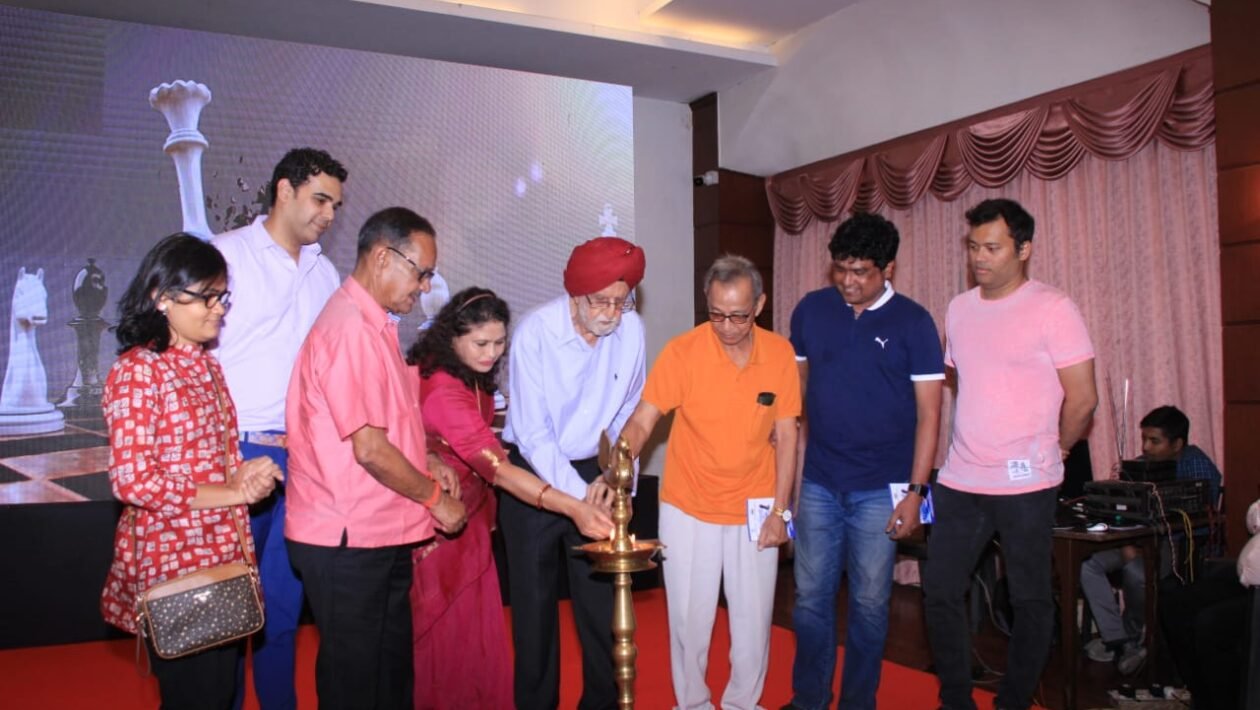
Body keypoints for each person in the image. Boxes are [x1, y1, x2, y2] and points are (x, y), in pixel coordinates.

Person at [284, 207, 467, 710]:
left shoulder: (375, 325)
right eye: (421, 272)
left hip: (378, 530)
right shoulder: (350, 329)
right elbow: (369, 448)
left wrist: (425, 456)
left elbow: (388, 424)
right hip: (346, 536)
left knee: (388, 676)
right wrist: (435, 498)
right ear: (383, 257)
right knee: (356, 684)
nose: (425, 287)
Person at [923, 198, 1098, 710]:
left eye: (992, 248)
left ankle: (1013, 702)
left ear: (1024, 249)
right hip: (960, 479)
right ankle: (956, 700)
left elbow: (1083, 398)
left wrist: (1059, 447)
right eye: (973, 246)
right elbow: (968, 382)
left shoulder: (1054, 308)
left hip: (1026, 483)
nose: (979, 257)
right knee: (940, 591)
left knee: (1029, 598)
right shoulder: (959, 308)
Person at [405, 286, 614, 710]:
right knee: (446, 634)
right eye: (481, 343)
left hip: (472, 514)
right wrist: (574, 506)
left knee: (474, 632)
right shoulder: (445, 389)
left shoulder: (466, 372)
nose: (492, 354)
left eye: (500, 343)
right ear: (452, 336)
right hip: (444, 519)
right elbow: (498, 469)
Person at [100, 233, 284, 709]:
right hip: (174, 562)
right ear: (161, 297)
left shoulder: (206, 366)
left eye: (222, 296)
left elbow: (211, 461)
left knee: (220, 692)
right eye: (207, 297)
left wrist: (245, 473)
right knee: (194, 696)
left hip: (224, 553)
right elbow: (133, 479)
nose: (219, 308)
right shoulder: (139, 370)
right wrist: (234, 493)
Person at [616, 254, 800, 710]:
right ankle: (692, 704)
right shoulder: (683, 351)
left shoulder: (779, 353)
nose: (728, 326)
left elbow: (788, 437)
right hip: (688, 505)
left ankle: (743, 704)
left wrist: (781, 512)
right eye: (717, 314)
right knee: (687, 620)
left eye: (739, 315)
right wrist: (620, 460)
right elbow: (643, 419)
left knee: (753, 622)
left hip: (756, 506)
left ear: (759, 305)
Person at [784, 214, 944, 710]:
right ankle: (809, 699)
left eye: (861, 271)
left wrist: (916, 493)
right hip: (820, 481)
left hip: (882, 488)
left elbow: (930, 416)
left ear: (887, 268)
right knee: (809, 598)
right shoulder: (811, 310)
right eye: (841, 269)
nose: (848, 282)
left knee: (871, 604)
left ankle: (858, 702)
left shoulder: (914, 323)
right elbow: (797, 391)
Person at [211, 147, 347, 710]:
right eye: (320, 200)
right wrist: (220, 453)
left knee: (283, 608)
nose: (329, 215)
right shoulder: (225, 255)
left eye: (336, 205)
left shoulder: (325, 271)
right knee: (224, 610)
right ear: (284, 191)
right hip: (235, 454)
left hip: (304, 459)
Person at [499, 236, 647, 710]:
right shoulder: (535, 332)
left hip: (597, 473)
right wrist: (579, 497)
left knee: (602, 610)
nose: (611, 313)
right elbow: (534, 435)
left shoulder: (632, 330)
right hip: (534, 477)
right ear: (575, 295)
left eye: (621, 301)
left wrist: (617, 479)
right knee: (534, 613)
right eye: (600, 301)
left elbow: (629, 414)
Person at [1081, 405, 1222, 674]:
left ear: (1177, 444)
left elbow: (1200, 521)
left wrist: (1143, 547)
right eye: (1144, 439)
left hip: (1177, 545)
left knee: (1137, 572)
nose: (1145, 447)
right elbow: (1120, 512)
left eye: (1154, 441)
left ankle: (1133, 636)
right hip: (1133, 541)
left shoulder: (1196, 464)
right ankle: (1118, 640)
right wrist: (1127, 544)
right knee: (1087, 565)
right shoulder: (1141, 466)